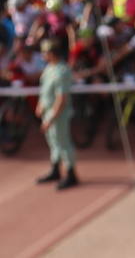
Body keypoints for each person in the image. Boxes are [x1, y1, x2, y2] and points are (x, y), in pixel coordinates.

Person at [34, 38, 77, 190]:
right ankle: (55, 170)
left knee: (63, 143)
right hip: (48, 112)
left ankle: (71, 174)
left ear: (52, 53)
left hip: (58, 114)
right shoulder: (49, 68)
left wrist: (51, 118)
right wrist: (40, 105)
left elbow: (61, 98)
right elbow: (45, 90)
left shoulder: (62, 70)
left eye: (45, 52)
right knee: (53, 143)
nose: (42, 55)